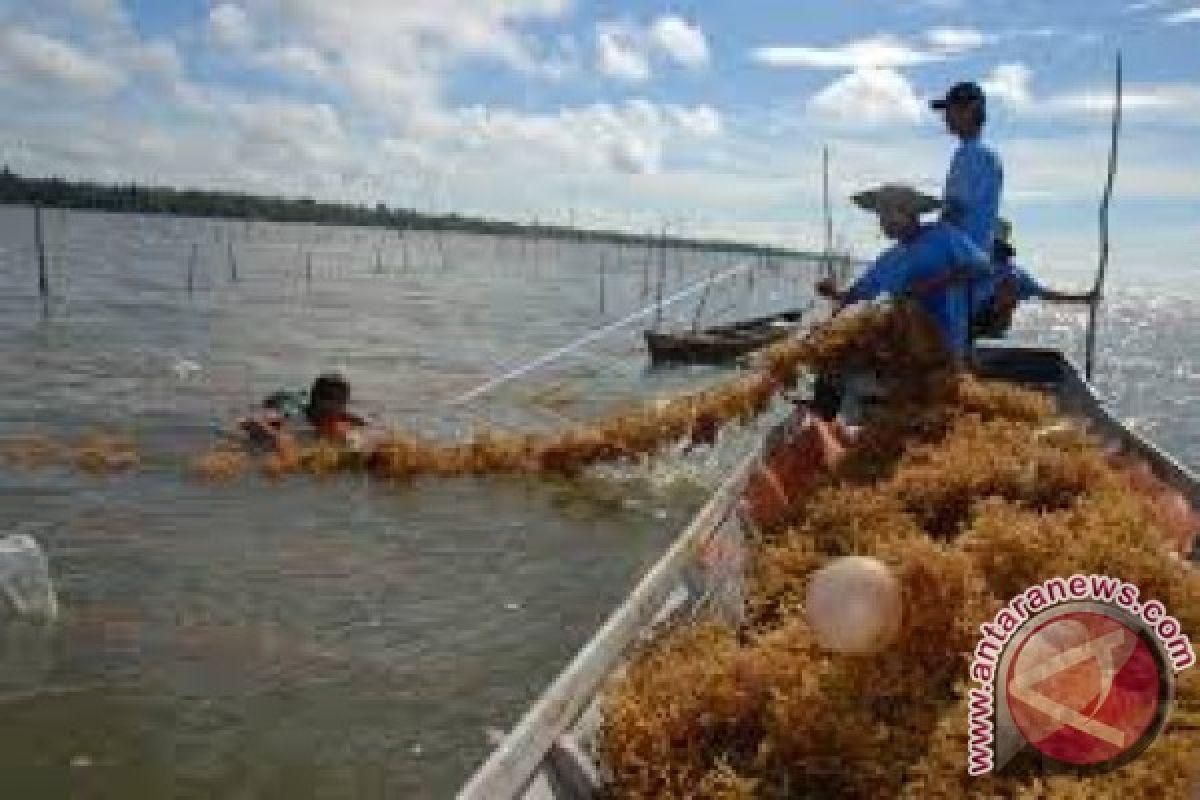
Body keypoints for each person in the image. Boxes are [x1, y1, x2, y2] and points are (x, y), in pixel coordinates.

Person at [818, 184, 992, 360]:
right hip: (903, 351)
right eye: (880, 214)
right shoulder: (889, 258)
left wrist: (934, 283)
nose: (883, 221)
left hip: (945, 347)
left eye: (889, 212)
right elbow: (858, 294)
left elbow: (984, 267)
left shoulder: (943, 235)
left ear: (910, 213)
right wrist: (834, 293)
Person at [971, 219, 1096, 338]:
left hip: (988, 323)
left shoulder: (1013, 273)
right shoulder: (976, 265)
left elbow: (1045, 294)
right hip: (972, 321)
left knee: (1009, 285)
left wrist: (1084, 298)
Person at [932, 81, 1003, 253]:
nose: (946, 117)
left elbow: (954, 211)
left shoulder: (969, 154)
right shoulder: (989, 157)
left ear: (970, 111)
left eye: (950, 110)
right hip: (978, 251)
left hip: (961, 253)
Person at [236, 372, 366, 451]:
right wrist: (274, 436)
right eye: (328, 398)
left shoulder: (345, 418)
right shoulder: (292, 418)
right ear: (314, 398)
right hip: (284, 402)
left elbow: (366, 430)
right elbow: (246, 422)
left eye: (340, 401)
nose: (333, 406)